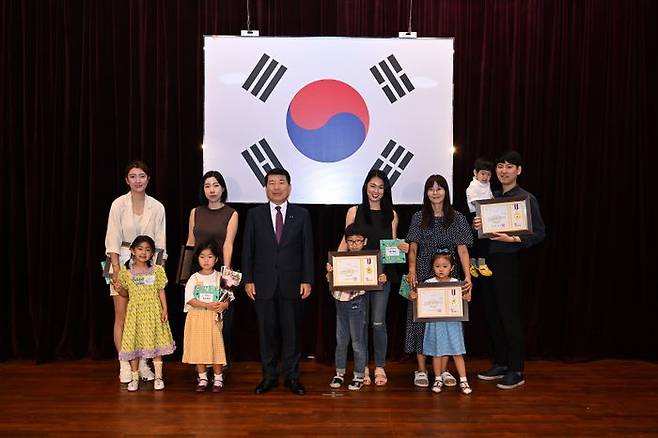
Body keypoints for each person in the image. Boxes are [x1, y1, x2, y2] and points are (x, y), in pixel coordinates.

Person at [474, 150, 545, 390]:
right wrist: (479, 224)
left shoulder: (525, 198)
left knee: (509, 316)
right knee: (493, 315)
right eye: (500, 166)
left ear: (519, 170)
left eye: (509, 167)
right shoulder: (490, 197)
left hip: (509, 263)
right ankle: (501, 363)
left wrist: (513, 239)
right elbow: (485, 232)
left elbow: (538, 233)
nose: (503, 171)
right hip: (488, 263)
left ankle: (516, 369)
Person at [242, 168, 314, 395]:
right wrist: (248, 279)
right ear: (265, 188)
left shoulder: (302, 215)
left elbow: (307, 249)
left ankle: (292, 378)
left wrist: (307, 279)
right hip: (263, 283)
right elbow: (248, 250)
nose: (276, 187)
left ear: (289, 187)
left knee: (292, 334)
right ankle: (269, 377)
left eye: (281, 182)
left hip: (292, 283)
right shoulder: (255, 215)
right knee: (267, 333)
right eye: (271, 183)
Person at [337, 169, 408, 386]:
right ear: (365, 187)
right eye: (372, 186)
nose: (376, 191)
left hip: (381, 279)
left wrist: (402, 249)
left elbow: (393, 248)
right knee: (361, 324)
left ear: (385, 191)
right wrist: (333, 266)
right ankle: (362, 368)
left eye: (380, 187)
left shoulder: (392, 215)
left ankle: (379, 367)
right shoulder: (354, 211)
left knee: (378, 323)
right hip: (356, 280)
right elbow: (344, 243)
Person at [405, 174, 473, 388]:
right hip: (423, 273)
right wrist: (412, 270)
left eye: (439, 188)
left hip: (449, 276)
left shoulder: (458, 217)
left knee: (447, 321)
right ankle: (422, 370)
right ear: (426, 193)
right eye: (431, 189)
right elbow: (413, 247)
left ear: (446, 191)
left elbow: (462, 249)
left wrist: (467, 277)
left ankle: (442, 372)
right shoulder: (418, 217)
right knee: (420, 321)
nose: (435, 192)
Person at [105, 160, 166, 383]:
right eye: (133, 176)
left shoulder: (157, 207)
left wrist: (158, 274)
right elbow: (111, 239)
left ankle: (142, 364)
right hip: (119, 261)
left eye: (142, 176)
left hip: (148, 268)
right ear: (126, 180)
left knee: (145, 317)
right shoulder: (118, 204)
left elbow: (160, 244)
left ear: (148, 179)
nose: (138, 180)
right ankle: (124, 363)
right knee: (121, 317)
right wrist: (117, 273)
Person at [186, 170, 238, 366]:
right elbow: (191, 242)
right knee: (199, 318)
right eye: (207, 186)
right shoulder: (195, 212)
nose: (212, 190)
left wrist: (225, 277)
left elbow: (228, 244)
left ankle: (219, 365)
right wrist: (185, 275)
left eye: (216, 185)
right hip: (197, 273)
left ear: (223, 188)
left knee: (220, 319)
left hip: (220, 273)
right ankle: (201, 364)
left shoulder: (232, 213)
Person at [327, 224, 387, 391]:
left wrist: (380, 277)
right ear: (346, 242)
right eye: (350, 241)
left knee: (357, 341)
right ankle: (339, 373)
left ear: (365, 241)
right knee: (341, 341)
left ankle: (359, 375)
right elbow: (329, 280)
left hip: (357, 303)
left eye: (358, 241)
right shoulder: (338, 259)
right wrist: (330, 272)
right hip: (340, 303)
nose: (354, 244)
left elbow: (376, 278)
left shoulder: (369, 260)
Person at [115, 235, 175, 392]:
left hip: (153, 312)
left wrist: (165, 308)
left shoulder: (157, 271)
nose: (143, 252)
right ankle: (134, 378)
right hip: (135, 314)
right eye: (140, 249)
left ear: (152, 254)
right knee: (133, 344)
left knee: (156, 344)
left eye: (148, 250)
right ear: (132, 251)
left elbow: (161, 290)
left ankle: (159, 377)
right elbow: (125, 294)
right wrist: (119, 289)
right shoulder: (126, 273)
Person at [410, 252, 472, 394]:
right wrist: (414, 296)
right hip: (435, 323)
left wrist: (466, 298)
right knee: (437, 352)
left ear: (451, 267)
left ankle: (464, 380)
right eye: (437, 266)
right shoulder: (427, 284)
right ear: (432, 267)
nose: (441, 269)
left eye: (445, 266)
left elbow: (463, 301)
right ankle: (438, 378)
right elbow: (420, 301)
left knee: (457, 352)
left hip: (452, 324)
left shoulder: (456, 283)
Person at [182, 241, 232, 392]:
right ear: (197, 259)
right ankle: (202, 377)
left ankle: (218, 378)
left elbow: (228, 297)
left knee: (215, 347)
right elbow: (189, 299)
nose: (206, 260)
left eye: (210, 257)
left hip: (213, 320)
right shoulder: (193, 278)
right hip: (196, 318)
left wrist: (224, 305)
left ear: (216, 259)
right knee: (199, 348)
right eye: (202, 257)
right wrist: (206, 305)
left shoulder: (221, 278)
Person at [465, 157, 494, 277]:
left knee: (485, 240)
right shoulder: (473, 186)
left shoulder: (487, 184)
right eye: (482, 173)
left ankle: (482, 264)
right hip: (475, 215)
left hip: (486, 214)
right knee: (474, 241)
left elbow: (491, 197)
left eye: (488, 174)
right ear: (475, 173)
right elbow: (474, 202)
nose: (485, 177)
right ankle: (471, 264)